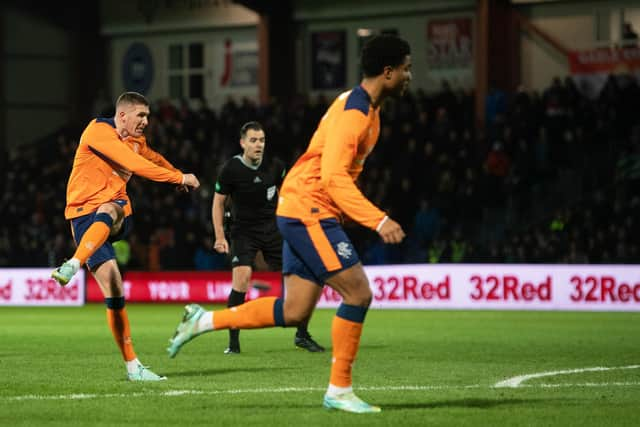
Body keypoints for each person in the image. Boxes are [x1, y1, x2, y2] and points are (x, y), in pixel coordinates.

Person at [167, 34, 411, 413]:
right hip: (309, 207)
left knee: (295, 311)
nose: (410, 76)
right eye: (407, 69)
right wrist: (377, 220)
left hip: (300, 205)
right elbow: (332, 177)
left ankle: (203, 321)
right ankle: (340, 389)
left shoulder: (363, 107)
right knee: (359, 293)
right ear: (388, 71)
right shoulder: (356, 113)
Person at [51, 92, 200, 381]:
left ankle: (72, 264)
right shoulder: (98, 131)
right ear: (122, 116)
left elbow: (151, 157)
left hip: (117, 212)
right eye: (140, 116)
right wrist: (180, 179)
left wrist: (176, 171)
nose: (146, 121)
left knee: (111, 207)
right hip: (82, 218)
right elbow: (137, 166)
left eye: (147, 116)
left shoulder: (136, 142)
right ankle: (133, 367)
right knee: (115, 290)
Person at [212, 121, 324, 354]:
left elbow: (287, 194)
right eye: (253, 140)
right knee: (242, 278)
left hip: (273, 229)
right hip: (243, 231)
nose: (258, 144)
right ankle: (233, 344)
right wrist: (220, 236)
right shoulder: (230, 169)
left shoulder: (275, 166)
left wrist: (296, 224)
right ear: (242, 143)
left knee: (304, 276)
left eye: (261, 140)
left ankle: (302, 335)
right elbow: (218, 202)